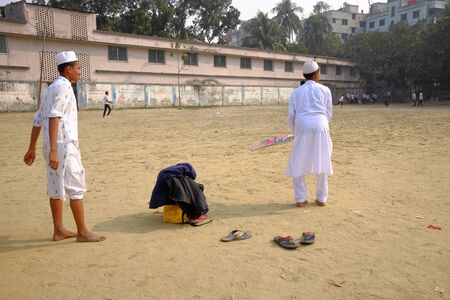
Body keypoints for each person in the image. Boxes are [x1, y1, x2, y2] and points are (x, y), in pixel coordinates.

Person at [23, 51, 105, 242]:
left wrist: (32, 148)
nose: (79, 72)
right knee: (76, 185)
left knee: (55, 186)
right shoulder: (64, 87)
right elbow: (53, 115)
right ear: (68, 69)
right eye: (78, 68)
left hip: (52, 145)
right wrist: (54, 149)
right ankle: (82, 232)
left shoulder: (51, 88)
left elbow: (37, 119)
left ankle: (59, 230)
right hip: (63, 146)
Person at [286, 61, 333, 207]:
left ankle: (300, 198)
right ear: (317, 73)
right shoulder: (325, 90)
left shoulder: (296, 92)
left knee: (298, 160)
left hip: (303, 126)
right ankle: (321, 198)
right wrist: (322, 126)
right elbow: (328, 112)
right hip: (321, 126)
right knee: (323, 159)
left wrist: (296, 132)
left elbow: (291, 115)